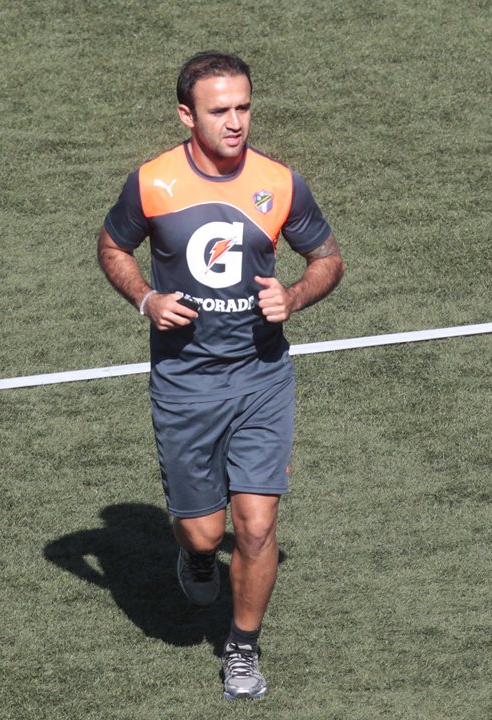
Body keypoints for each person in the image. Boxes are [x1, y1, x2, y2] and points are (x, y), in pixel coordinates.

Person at [98, 51, 344, 700]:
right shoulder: (152, 184)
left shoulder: (279, 183)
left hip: (262, 376)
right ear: (187, 115)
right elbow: (111, 246)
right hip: (185, 384)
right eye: (220, 111)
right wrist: (146, 300)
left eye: (244, 108)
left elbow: (327, 258)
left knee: (258, 526)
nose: (235, 123)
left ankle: (241, 646)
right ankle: (199, 554)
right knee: (207, 529)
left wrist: (293, 297)